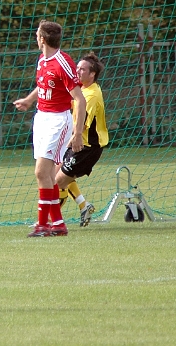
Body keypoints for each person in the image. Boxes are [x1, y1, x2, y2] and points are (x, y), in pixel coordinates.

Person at [13, 20, 86, 237]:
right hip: (41, 118)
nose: (36, 38)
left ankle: (42, 225)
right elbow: (44, 84)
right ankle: (58, 225)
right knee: (45, 175)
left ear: (42, 39)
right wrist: (28, 100)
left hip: (58, 121)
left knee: (41, 172)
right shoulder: (42, 60)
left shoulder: (63, 62)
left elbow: (79, 100)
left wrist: (77, 133)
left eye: (37, 35)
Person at [55, 51, 108, 227]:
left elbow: (83, 124)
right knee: (55, 171)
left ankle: (51, 220)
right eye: (77, 68)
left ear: (92, 74)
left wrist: (69, 141)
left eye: (82, 69)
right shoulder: (82, 89)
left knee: (59, 181)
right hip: (78, 142)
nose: (77, 71)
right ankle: (84, 205)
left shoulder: (91, 95)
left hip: (87, 147)